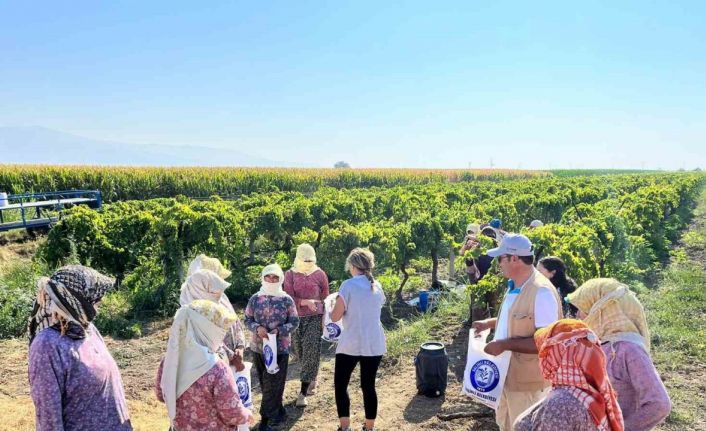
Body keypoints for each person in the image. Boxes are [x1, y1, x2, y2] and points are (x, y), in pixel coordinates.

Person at [471, 234, 563, 431]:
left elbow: (545, 342)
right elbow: (517, 320)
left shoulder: (541, 292)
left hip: (528, 384)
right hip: (508, 376)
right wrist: (489, 324)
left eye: (500, 258)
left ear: (514, 258)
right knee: (506, 424)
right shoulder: (516, 285)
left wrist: (504, 345)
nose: (498, 264)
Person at [28, 265, 132, 431]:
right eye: (95, 297)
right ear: (76, 300)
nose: (101, 300)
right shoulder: (46, 345)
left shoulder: (89, 330)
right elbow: (49, 419)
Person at [568, 278, 671, 430]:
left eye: (582, 309)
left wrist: (623, 428)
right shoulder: (598, 343)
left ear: (600, 311)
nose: (577, 315)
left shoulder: (628, 350)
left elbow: (659, 403)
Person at [156, 300, 255, 430]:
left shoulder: (170, 359)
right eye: (219, 329)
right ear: (207, 330)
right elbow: (231, 413)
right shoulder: (217, 368)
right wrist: (246, 415)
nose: (222, 334)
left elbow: (161, 394)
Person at [514, 319, 624, 431]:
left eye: (547, 351)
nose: (543, 357)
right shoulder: (594, 396)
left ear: (559, 354)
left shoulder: (560, 405)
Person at [330, 248, 387, 431]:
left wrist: (332, 306)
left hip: (351, 343)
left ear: (353, 265)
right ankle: (369, 428)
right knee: (368, 386)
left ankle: (345, 427)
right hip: (374, 342)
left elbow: (335, 316)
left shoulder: (347, 285)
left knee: (341, 384)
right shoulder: (376, 286)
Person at [244, 264, 300, 431]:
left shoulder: (286, 299)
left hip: (280, 348)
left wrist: (279, 331)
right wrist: (257, 328)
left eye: (275, 277)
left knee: (274, 381)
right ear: (263, 277)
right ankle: (278, 411)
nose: (271, 279)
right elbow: (247, 319)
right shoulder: (255, 298)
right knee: (265, 382)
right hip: (258, 347)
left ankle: (266, 419)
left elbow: (295, 321)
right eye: (268, 276)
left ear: (280, 279)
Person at [283, 243, 330, 406]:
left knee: (311, 348)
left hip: (315, 316)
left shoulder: (320, 274)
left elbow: (325, 297)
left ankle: (304, 389)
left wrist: (324, 316)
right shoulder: (290, 275)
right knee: (300, 351)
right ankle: (311, 375)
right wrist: (303, 302)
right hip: (296, 318)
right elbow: (287, 298)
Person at [181, 257, 247, 371]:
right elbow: (201, 343)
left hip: (233, 363)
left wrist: (240, 347)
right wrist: (231, 356)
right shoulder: (190, 310)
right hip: (212, 369)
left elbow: (236, 323)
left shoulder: (220, 297)